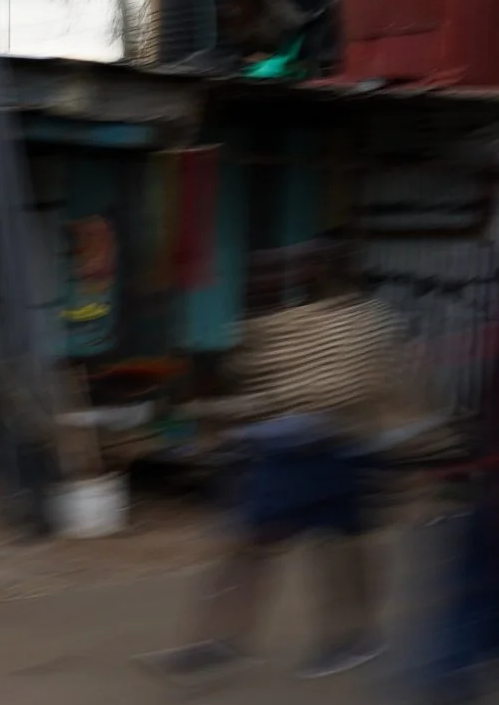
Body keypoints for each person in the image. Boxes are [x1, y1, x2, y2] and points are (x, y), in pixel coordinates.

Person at [144, 237, 417, 682]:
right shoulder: (282, 326)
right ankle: (218, 641)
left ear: (338, 269)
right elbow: (267, 395)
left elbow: (348, 394)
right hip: (288, 457)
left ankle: (351, 638)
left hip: (340, 454)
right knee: (250, 547)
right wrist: (236, 424)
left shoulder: (362, 323)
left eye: (316, 264)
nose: (302, 274)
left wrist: (251, 420)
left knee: (339, 554)